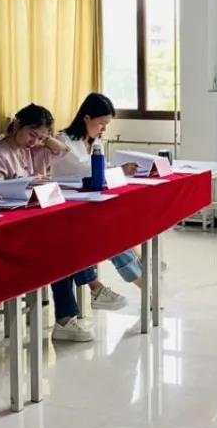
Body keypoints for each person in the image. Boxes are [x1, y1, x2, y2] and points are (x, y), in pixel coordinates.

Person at [0, 103, 93, 342]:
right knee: (57, 246)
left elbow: (63, 151)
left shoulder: (31, 149)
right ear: (16, 124)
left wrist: (45, 138)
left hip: (31, 222)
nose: (35, 141)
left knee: (70, 235)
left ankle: (73, 309)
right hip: (6, 228)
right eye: (32, 134)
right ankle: (83, 296)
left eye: (40, 137)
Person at [50, 93, 145, 311]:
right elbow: (86, 170)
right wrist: (117, 170)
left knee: (115, 228)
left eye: (106, 124)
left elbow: (100, 171)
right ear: (86, 118)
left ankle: (141, 276)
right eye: (101, 123)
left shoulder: (94, 142)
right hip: (67, 209)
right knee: (107, 235)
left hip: (88, 205)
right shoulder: (64, 141)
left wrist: (117, 170)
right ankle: (140, 280)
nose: (103, 129)